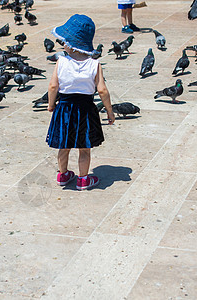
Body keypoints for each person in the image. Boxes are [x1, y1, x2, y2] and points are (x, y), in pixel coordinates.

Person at [47, 14, 116, 190]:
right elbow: (102, 90)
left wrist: (51, 104)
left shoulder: (61, 61)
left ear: (70, 43)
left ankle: (63, 175)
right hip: (85, 110)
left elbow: (53, 86)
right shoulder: (95, 64)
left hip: (64, 109)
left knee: (64, 144)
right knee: (84, 147)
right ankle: (83, 179)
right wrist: (109, 111)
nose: (62, 44)